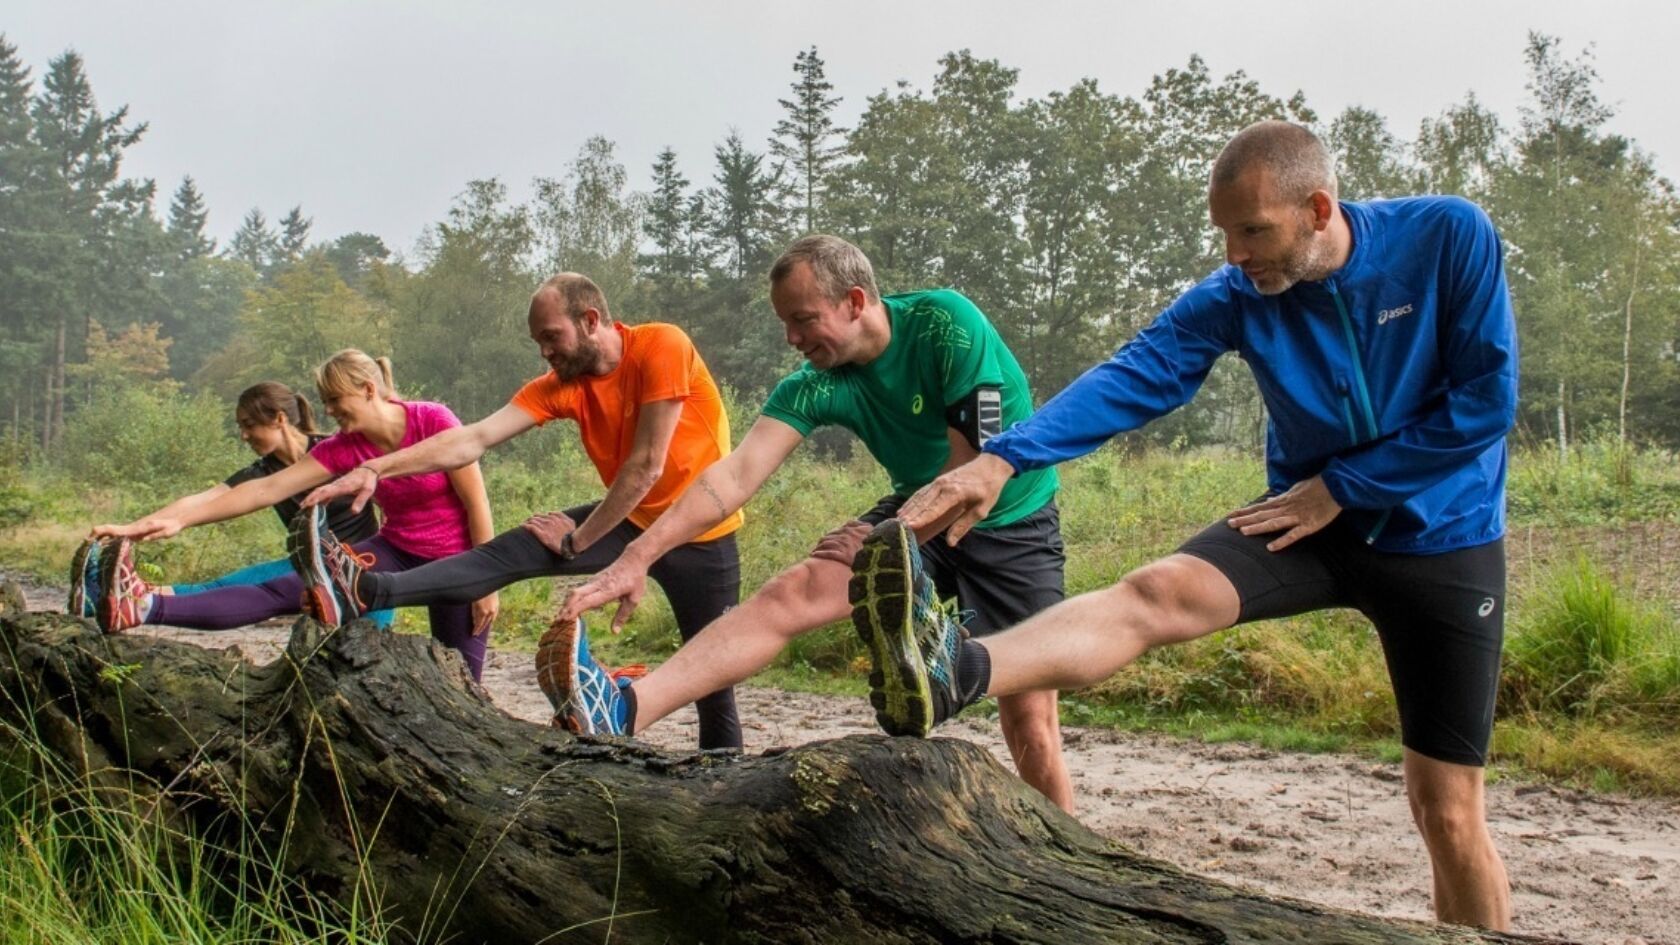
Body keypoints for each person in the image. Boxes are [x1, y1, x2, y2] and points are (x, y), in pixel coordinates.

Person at [868, 121, 1517, 930]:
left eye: (1253, 231)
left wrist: (1344, 487)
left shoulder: (1448, 236)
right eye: (1224, 234)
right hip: (1305, 520)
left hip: (1443, 538)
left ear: (1319, 208)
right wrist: (1003, 458)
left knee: (1447, 811)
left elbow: (1486, 402)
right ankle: (950, 672)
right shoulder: (1239, 295)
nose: (1236, 254)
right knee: (1156, 591)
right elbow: (1137, 373)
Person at [551, 235, 1077, 812]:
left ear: (854, 301)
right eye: (785, 323)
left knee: (1029, 720)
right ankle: (624, 708)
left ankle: (1069, 863)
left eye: (803, 320)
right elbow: (731, 478)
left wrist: (886, 540)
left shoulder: (945, 324)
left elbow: (968, 470)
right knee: (791, 592)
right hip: (913, 507)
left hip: (1009, 521)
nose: (792, 339)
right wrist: (638, 557)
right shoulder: (815, 383)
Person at [293, 273, 746, 750]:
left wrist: (577, 540)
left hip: (702, 532)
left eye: (552, 337)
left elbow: (646, 467)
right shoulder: (563, 385)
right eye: (538, 342)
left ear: (590, 320)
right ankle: (366, 590)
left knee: (713, 683)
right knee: (506, 552)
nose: (545, 352)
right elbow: (472, 438)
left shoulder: (661, 345)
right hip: (631, 518)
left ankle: (725, 784)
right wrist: (377, 468)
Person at [88, 350, 499, 680]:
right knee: (284, 588)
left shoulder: (433, 420)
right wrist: (176, 520)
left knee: (462, 680)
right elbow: (265, 489)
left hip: (461, 562)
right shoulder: (343, 447)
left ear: (368, 389)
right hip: (396, 549)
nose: (329, 410)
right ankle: (141, 608)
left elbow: (476, 503)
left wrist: (487, 583)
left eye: (336, 400)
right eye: (325, 402)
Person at [67, 382, 392, 629]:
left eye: (249, 425)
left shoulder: (332, 450)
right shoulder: (262, 471)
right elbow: (203, 499)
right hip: (312, 565)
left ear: (279, 419)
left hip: (365, 567)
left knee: (363, 649)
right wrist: (133, 529)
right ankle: (107, 598)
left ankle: (123, 600)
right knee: (220, 588)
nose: (243, 435)